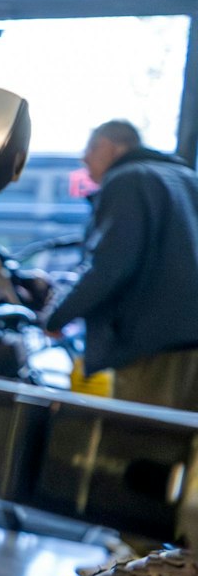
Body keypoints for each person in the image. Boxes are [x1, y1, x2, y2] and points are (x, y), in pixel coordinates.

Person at [46, 120, 198, 414]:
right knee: (184, 441)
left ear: (109, 147)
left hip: (155, 340)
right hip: (191, 338)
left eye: (90, 148)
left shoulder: (127, 179)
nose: (84, 158)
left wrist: (58, 316)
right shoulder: (186, 177)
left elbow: (109, 264)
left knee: (140, 445)